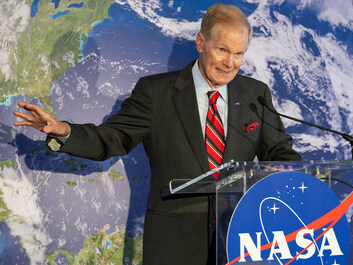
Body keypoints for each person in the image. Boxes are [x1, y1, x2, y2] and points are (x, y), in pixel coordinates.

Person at [13, 4, 301, 265]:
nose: (231, 63)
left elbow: (281, 154)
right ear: (201, 43)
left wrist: (281, 171)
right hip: (174, 241)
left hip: (242, 239)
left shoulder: (255, 94)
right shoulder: (156, 93)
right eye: (223, 50)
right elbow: (111, 139)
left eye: (239, 53)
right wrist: (63, 130)